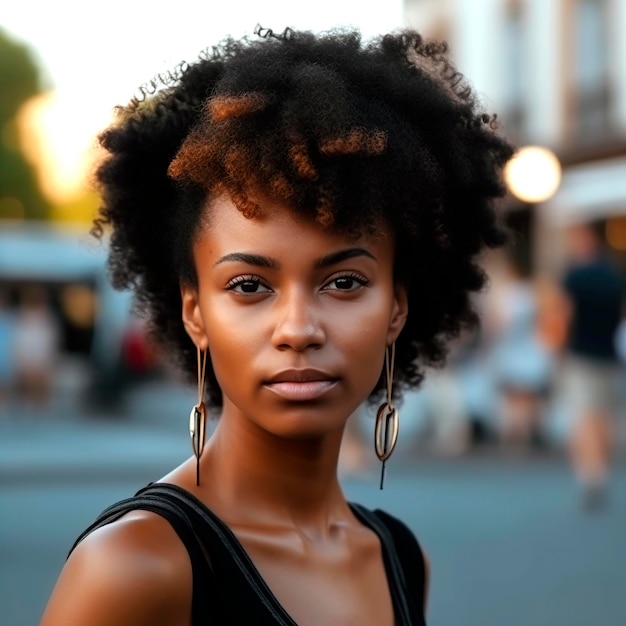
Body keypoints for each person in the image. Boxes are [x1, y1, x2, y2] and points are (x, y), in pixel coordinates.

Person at [39, 26, 513, 626]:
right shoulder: (136, 567)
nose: (298, 328)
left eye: (344, 283)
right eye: (249, 286)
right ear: (194, 312)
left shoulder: (398, 555)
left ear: (397, 307)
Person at [558, 222, 624, 509]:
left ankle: (590, 473)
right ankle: (602, 470)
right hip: (609, 354)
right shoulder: (615, 275)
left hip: (580, 354)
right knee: (605, 417)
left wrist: (557, 351)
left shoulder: (574, 275)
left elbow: (563, 316)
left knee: (583, 416)